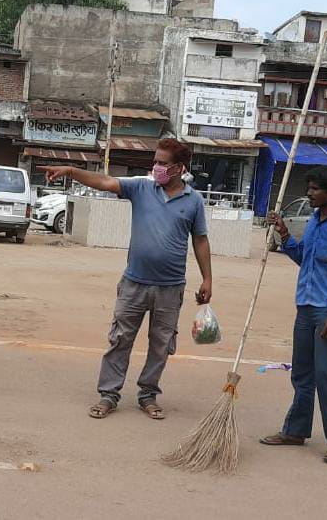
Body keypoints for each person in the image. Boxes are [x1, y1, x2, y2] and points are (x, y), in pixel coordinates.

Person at [40, 138, 213, 421]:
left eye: (162, 163)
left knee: (161, 344)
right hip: (134, 282)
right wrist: (71, 171)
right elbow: (105, 182)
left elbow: (201, 240)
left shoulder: (193, 201)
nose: (156, 167)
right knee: (120, 339)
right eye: (155, 161)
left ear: (179, 168)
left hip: (171, 288)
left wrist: (207, 279)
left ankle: (148, 395)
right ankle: (108, 394)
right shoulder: (141, 188)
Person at [260, 166, 327, 464]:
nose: (308, 193)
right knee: (302, 374)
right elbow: (301, 257)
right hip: (305, 307)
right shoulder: (313, 223)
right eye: (309, 187)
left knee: (325, 374)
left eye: (314, 189)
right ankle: (295, 431)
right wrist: (283, 232)